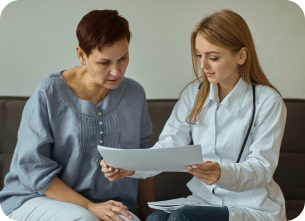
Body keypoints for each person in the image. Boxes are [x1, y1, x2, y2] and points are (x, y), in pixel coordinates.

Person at [101, 9, 287, 221]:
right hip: (203, 201)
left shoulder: (268, 102)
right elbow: (169, 146)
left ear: (242, 55)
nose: (203, 65)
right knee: (155, 219)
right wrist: (130, 167)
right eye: (199, 55)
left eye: (213, 57)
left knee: (184, 219)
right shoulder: (195, 93)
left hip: (251, 206)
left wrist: (221, 173)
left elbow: (261, 170)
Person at [0, 10, 155, 221]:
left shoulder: (135, 94)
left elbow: (143, 158)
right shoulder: (49, 92)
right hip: (36, 199)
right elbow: (33, 169)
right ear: (82, 55)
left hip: (109, 206)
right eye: (104, 63)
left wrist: (151, 216)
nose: (117, 71)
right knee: (85, 219)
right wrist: (90, 206)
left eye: (123, 59)